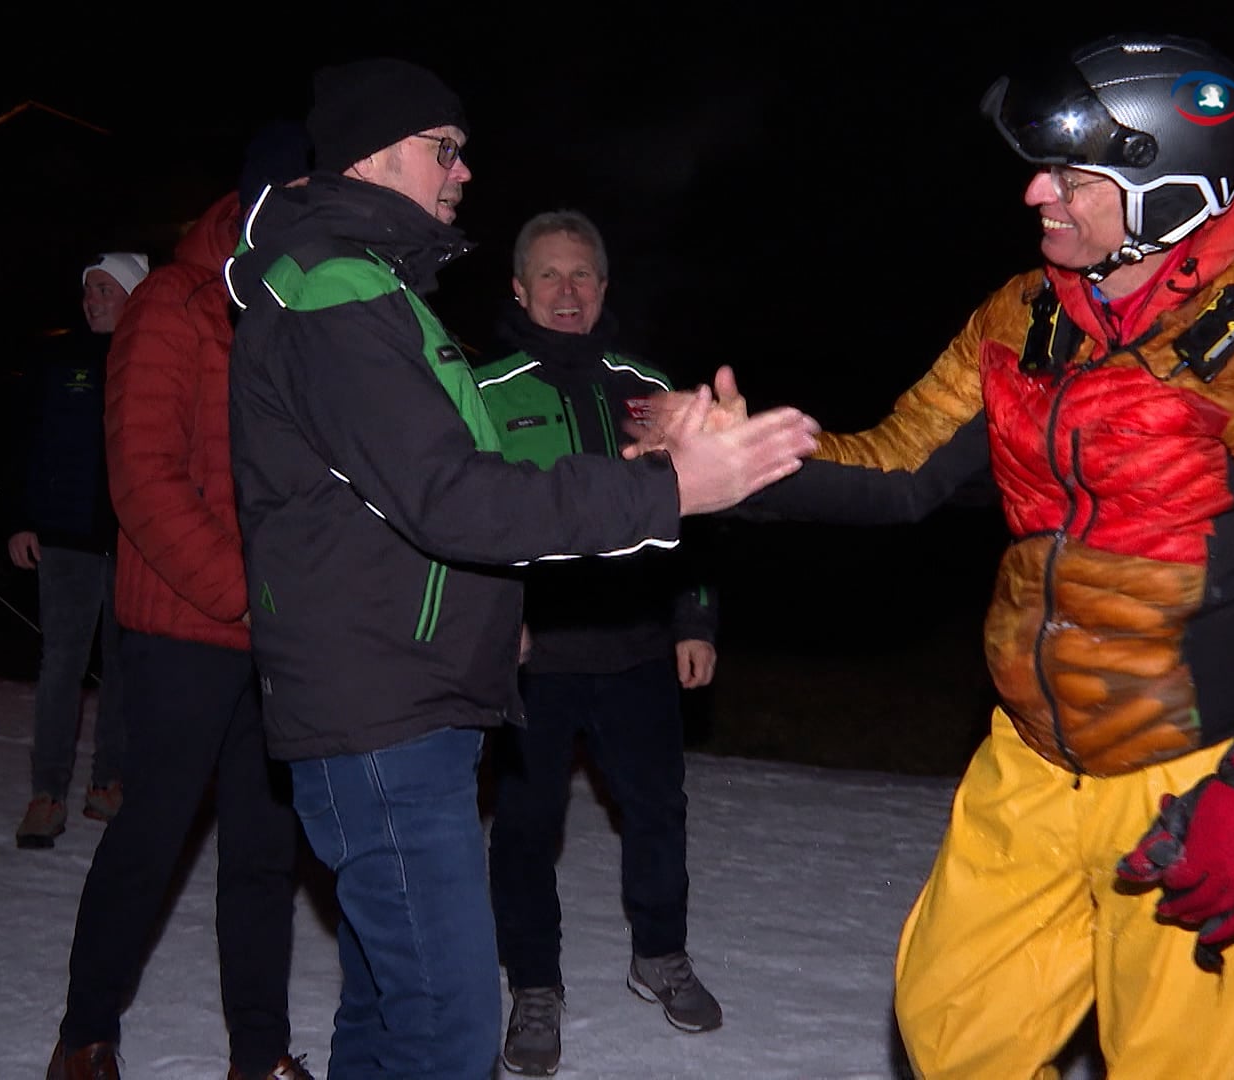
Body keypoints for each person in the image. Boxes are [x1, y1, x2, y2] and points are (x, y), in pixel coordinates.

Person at [643, 33, 1234, 1078]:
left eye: (1071, 176)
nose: (1036, 195)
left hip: (1190, 781)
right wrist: (749, 463)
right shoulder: (1023, 315)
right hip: (1030, 754)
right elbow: (898, 469)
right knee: (955, 1030)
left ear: (1170, 187)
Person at [223, 57, 819, 1080]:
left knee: (387, 1014)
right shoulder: (337, 294)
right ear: (377, 153)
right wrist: (672, 489)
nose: (462, 172)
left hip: (413, 696)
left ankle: (656, 953)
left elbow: (429, 498)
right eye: (443, 151)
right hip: (381, 713)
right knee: (450, 1035)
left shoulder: (375, 291)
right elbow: (455, 498)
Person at [44, 132, 316, 1080]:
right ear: (250, 201)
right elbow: (145, 482)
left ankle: (260, 1050)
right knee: (152, 834)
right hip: (182, 631)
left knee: (262, 850)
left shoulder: (291, 307)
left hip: (273, 635)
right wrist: (249, 594)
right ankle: (84, 1032)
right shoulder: (171, 303)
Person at [474, 210, 723, 1076]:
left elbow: (697, 513)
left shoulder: (650, 387)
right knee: (526, 825)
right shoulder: (484, 391)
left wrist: (693, 617)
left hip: (637, 646)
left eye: (583, 275)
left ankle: (659, 954)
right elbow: (462, 522)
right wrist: (494, 618)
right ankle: (534, 985)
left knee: (657, 809)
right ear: (519, 288)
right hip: (533, 659)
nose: (568, 291)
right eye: (550, 275)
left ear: (605, 288)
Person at [10, 252, 147, 848]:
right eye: (88, 290)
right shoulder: (57, 358)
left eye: (105, 289)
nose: (92, 300)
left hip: (133, 541)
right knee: (61, 665)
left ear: (132, 294)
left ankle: (107, 785)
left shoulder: (150, 358)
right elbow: (25, 441)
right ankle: (46, 794)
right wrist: (20, 520)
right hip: (64, 541)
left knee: (124, 667)